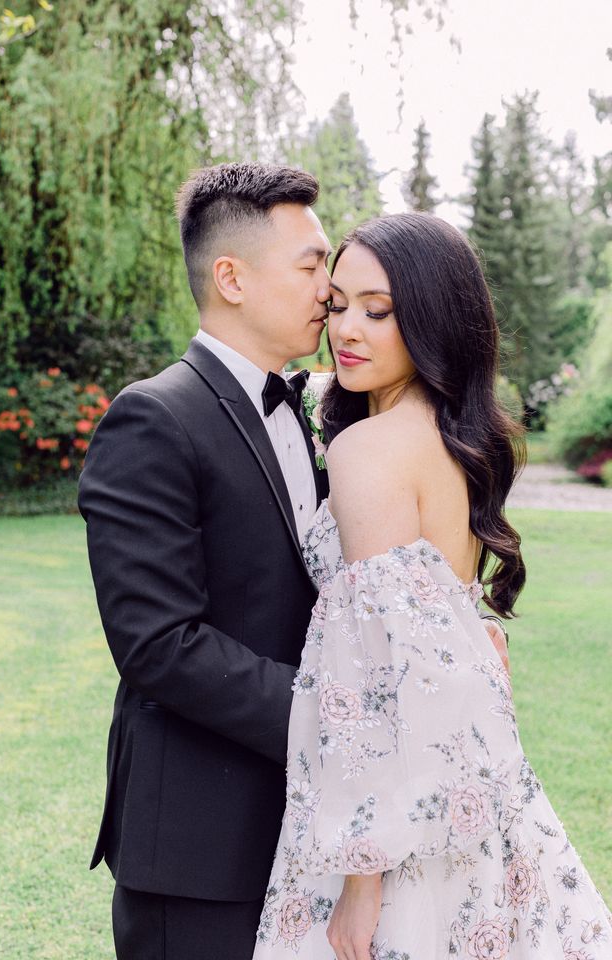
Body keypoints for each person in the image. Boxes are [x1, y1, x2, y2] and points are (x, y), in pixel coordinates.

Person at [78, 163, 506, 960]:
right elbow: (160, 645)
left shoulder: (325, 414)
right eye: (313, 268)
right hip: (200, 845)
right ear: (232, 278)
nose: (327, 295)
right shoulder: (153, 419)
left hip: (314, 831)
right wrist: (349, 717)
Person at [253, 213, 612, 960]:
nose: (346, 329)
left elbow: (372, 677)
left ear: (432, 320)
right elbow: (448, 632)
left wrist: (361, 881)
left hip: (392, 828)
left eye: (378, 312)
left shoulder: (368, 451)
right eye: (338, 304)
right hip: (470, 797)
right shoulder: (455, 439)